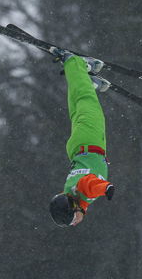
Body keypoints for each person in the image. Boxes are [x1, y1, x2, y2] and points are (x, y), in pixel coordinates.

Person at [49, 47, 115, 227]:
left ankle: (75, 63)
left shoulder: (84, 193)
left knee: (87, 101)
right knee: (78, 108)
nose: (75, 223)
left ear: (74, 208)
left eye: (72, 220)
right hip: (77, 148)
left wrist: (106, 188)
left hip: (91, 141)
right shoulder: (69, 192)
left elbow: (91, 184)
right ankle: (84, 80)